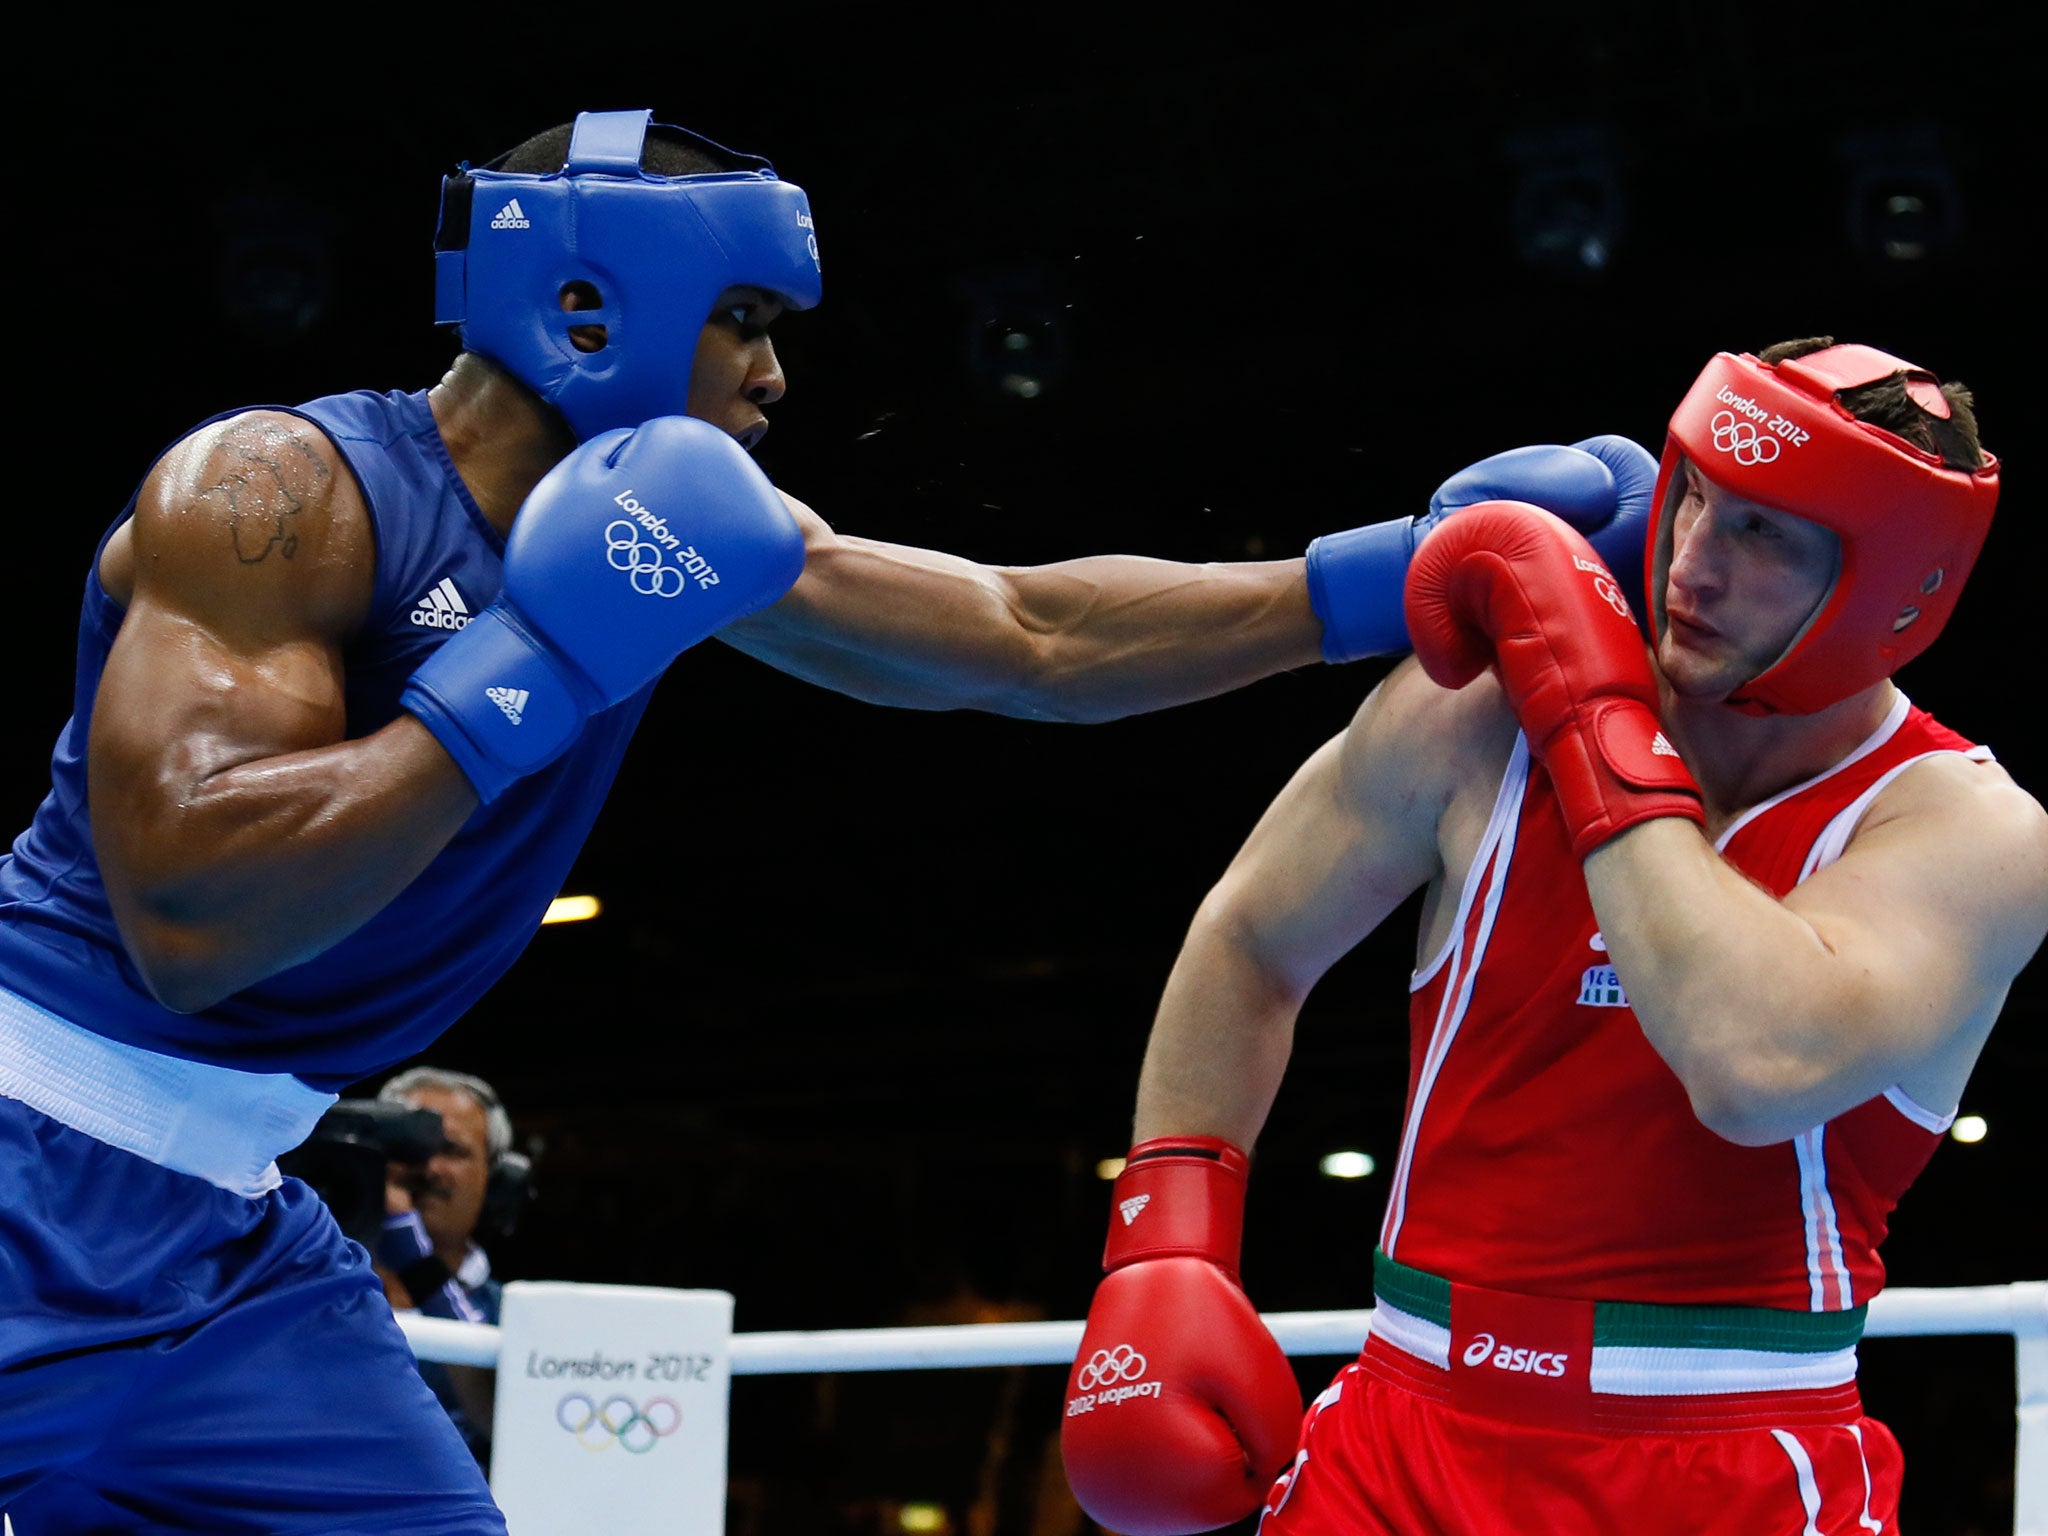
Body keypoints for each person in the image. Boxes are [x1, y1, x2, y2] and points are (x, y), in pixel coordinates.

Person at [0, 108, 1645, 1532]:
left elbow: (1025, 637)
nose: (777, 375)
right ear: (587, 310)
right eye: (740, 321)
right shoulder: (275, 495)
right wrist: (538, 662)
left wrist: (1379, 580)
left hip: (231, 1239)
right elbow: (194, 920)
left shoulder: (672, 538)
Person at [1060, 339, 2048, 1533]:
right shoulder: (1473, 719)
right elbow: (1252, 936)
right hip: (1396, 1434)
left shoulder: (1961, 828)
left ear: (1897, 585)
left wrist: (1591, 715)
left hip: (1720, 1463)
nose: (1690, 562)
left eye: (1763, 534)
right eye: (1694, 497)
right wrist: (1168, 1239)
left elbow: (1752, 1071)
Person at [374, 1068, 525, 1467]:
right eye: (411, 1147)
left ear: (495, 1177)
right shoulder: (313, 1291)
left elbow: (511, 1424)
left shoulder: (518, 1317)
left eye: (452, 1150)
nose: (429, 1168)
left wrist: (415, 1261)